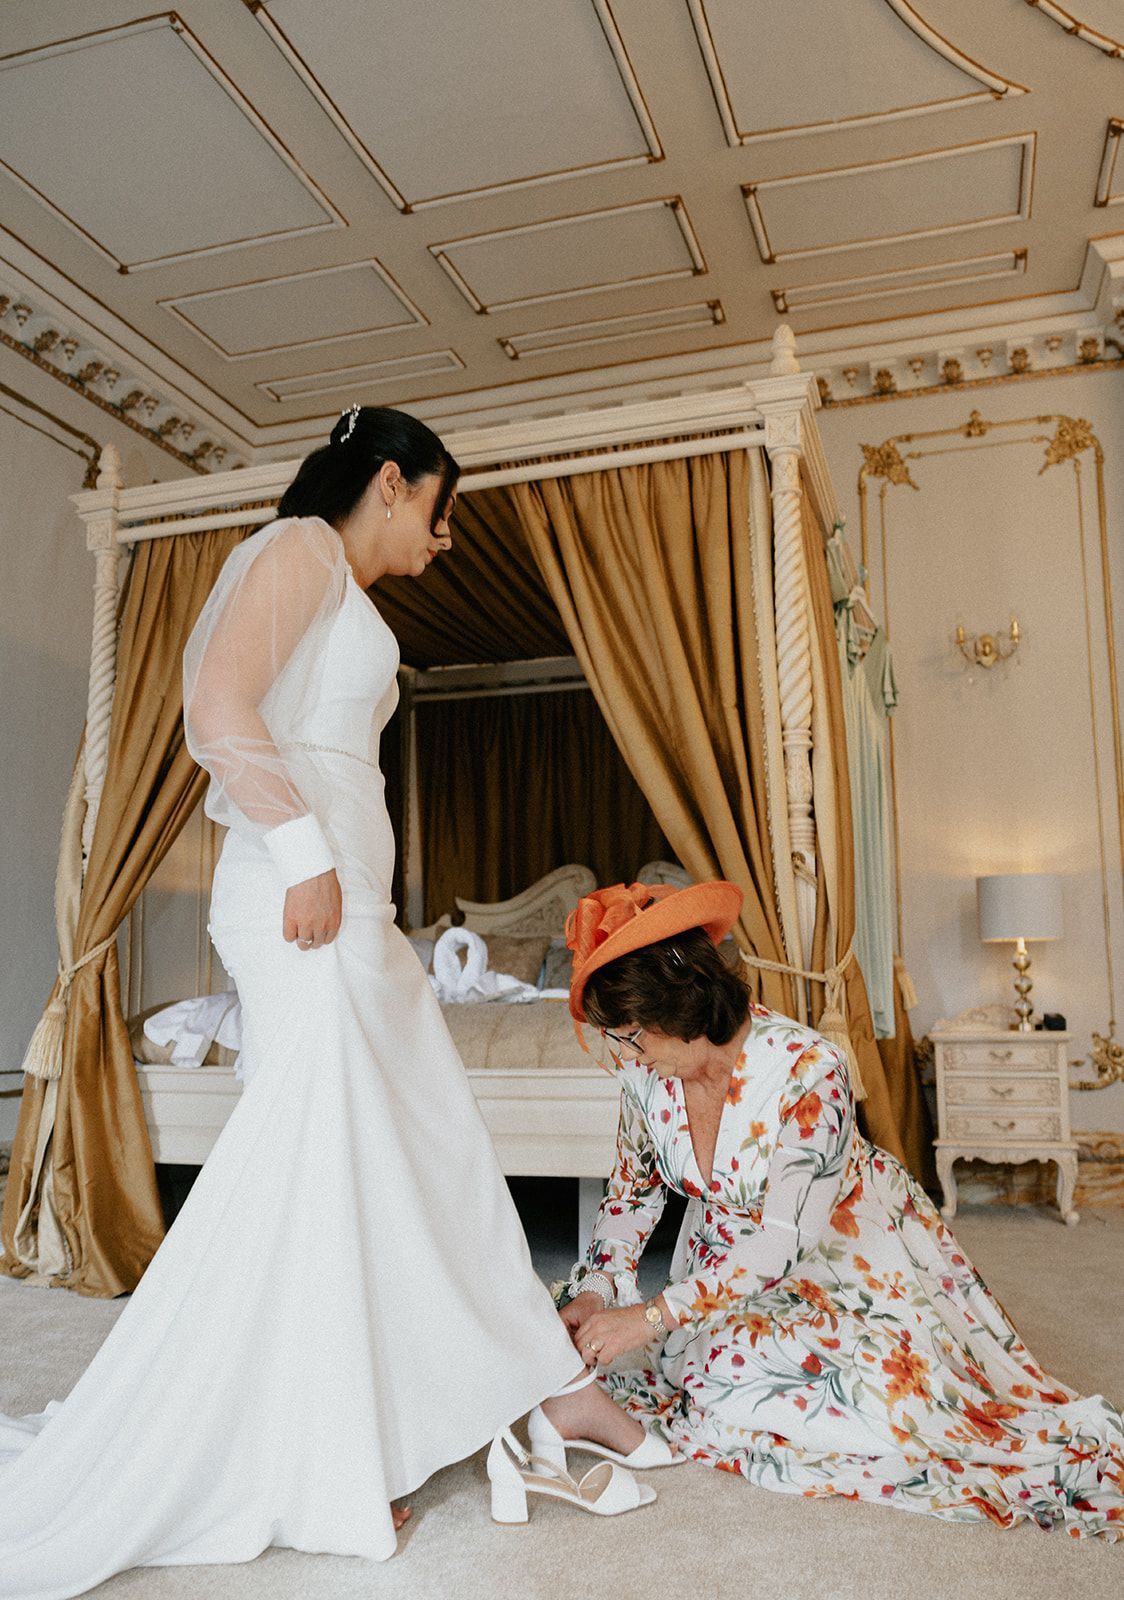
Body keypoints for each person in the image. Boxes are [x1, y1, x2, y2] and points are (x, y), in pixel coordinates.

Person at [0, 407, 667, 1599]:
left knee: (407, 1151)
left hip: (341, 901)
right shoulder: (298, 547)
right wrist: (305, 853)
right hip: (300, 899)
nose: (445, 537)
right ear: (391, 482)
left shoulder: (336, 586)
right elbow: (218, 705)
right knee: (345, 1160)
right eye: (440, 509)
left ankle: (520, 1390)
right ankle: (350, 1442)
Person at [552, 878, 1124, 1539]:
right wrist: (598, 1290)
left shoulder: (808, 1069)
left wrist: (650, 1315)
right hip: (723, 1273)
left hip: (843, 1259)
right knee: (717, 1380)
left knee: (900, 1415)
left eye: (631, 1036)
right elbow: (632, 1192)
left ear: (677, 1006)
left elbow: (780, 1246)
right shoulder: (644, 1075)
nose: (626, 1055)